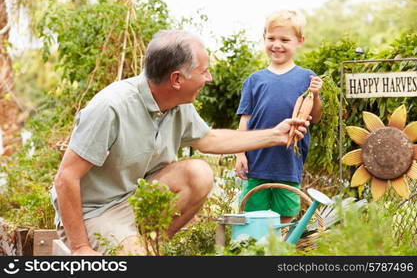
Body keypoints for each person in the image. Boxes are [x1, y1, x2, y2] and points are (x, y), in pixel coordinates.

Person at [51, 29, 311, 256]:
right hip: (97, 212)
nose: (208, 79)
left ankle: (150, 247)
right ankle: (133, 248)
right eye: (204, 71)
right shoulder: (111, 107)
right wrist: (80, 248)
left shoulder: (177, 104)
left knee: (198, 173)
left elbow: (210, 139)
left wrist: (276, 135)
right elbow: (66, 178)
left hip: (136, 198)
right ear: (176, 79)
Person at [235, 10, 323, 224]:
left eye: (284, 39)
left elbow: (316, 117)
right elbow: (245, 120)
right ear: (263, 38)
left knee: (286, 215)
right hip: (257, 160)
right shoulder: (254, 80)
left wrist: (317, 94)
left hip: (289, 161)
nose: (277, 45)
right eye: (271, 38)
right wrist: (239, 154)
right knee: (253, 215)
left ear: (299, 41)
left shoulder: (306, 77)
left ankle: (281, 251)